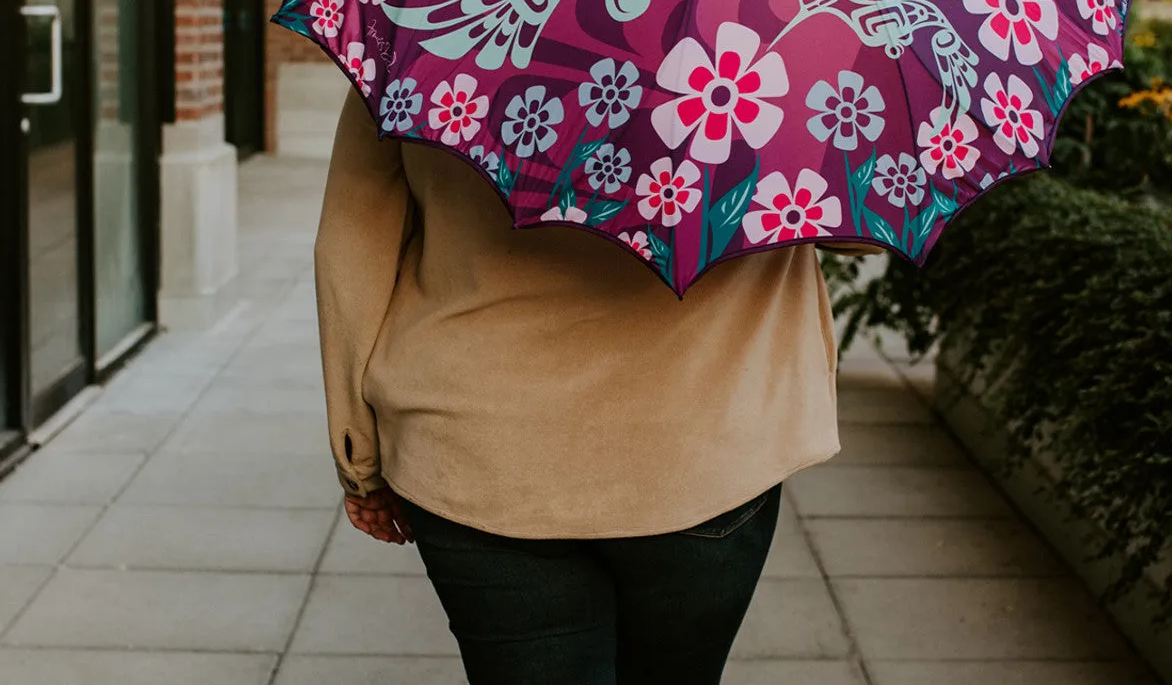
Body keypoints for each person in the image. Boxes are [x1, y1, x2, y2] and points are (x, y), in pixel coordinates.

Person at [315, 85, 874, 683]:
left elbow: (355, 231)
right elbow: (853, 224)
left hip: (479, 445)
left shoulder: (423, 18)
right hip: (706, 441)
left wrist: (362, 459)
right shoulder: (781, 28)